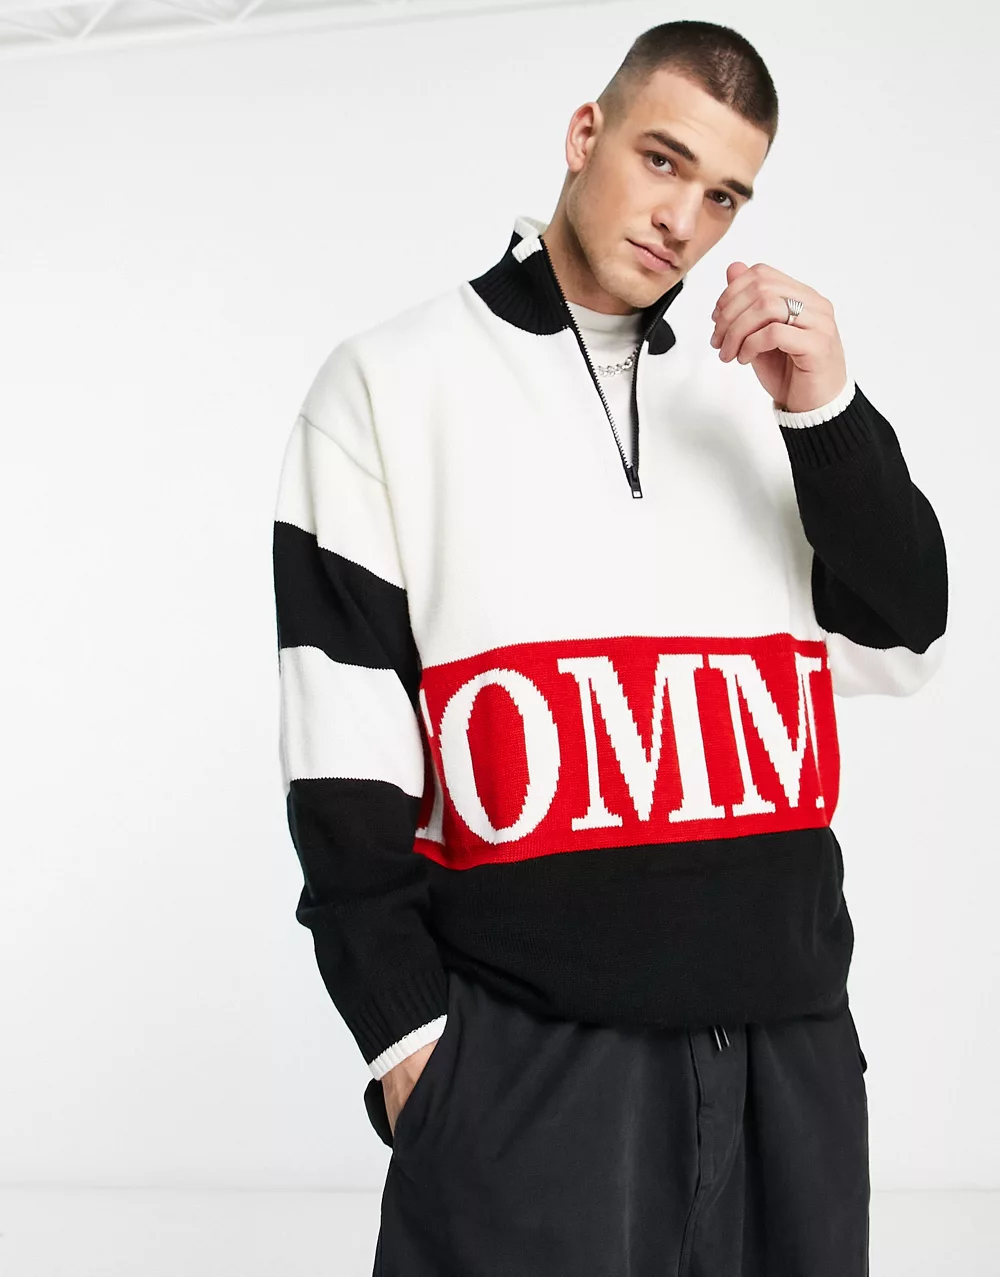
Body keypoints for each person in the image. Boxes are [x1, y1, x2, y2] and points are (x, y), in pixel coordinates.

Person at [271, 18, 947, 1277]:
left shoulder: (754, 393)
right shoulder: (387, 385)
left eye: (723, 194)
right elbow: (343, 755)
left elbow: (908, 637)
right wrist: (414, 1056)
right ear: (586, 135)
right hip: (533, 1073)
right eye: (661, 159)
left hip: (787, 1054)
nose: (682, 217)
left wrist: (826, 410)